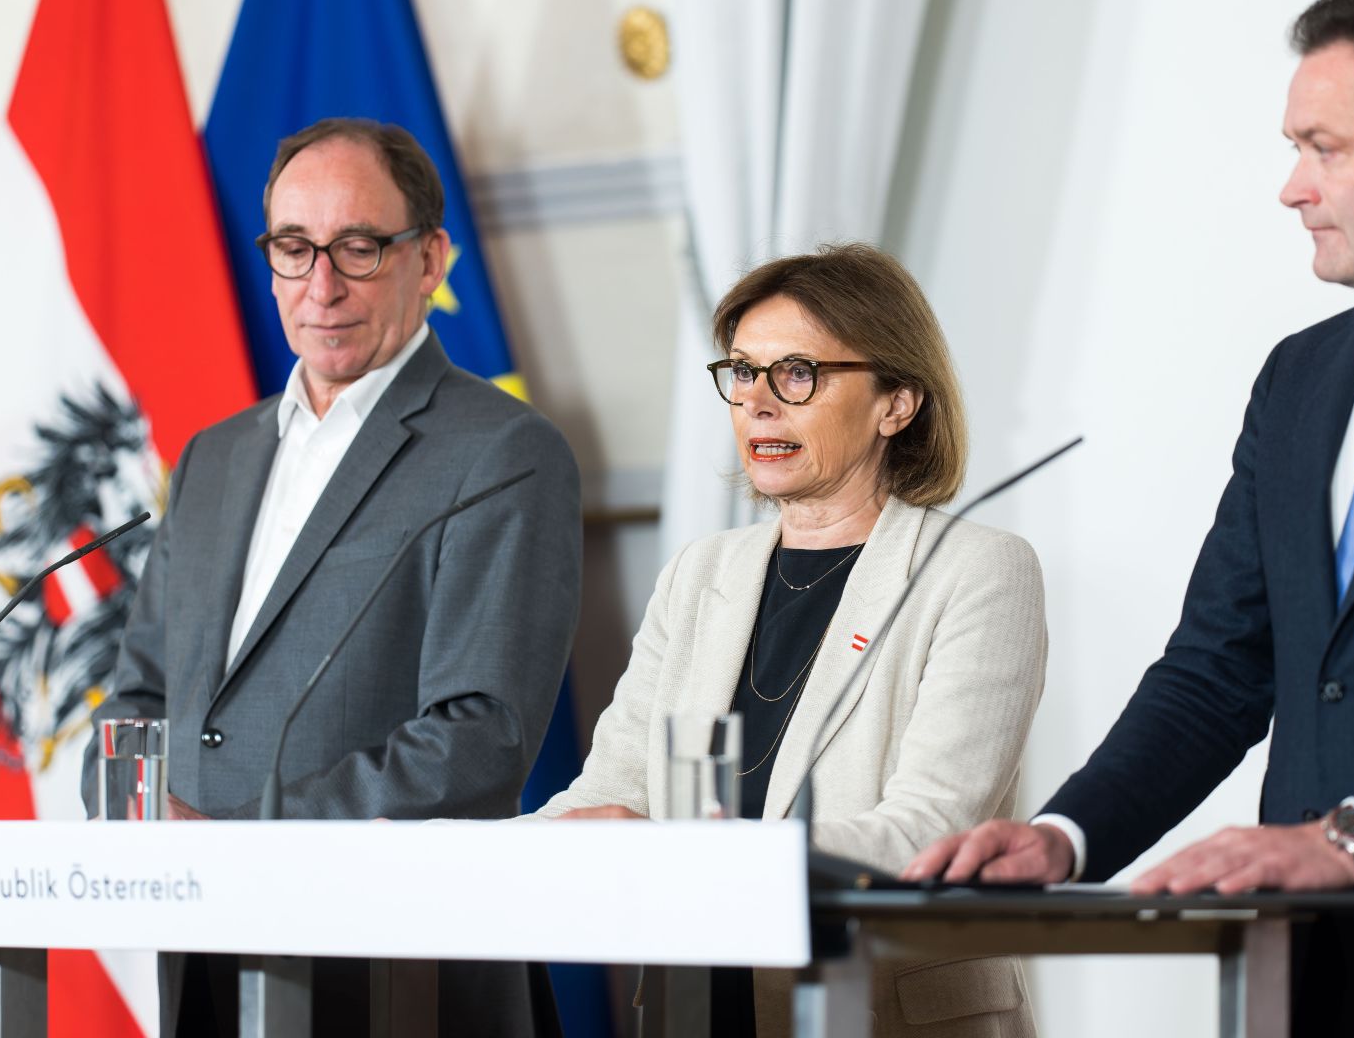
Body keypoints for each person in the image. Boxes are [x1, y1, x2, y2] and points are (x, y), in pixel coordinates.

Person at [905, 0, 1354, 1034]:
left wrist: (1347, 838)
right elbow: (1218, 668)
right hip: (1302, 977)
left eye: (1323, 147)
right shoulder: (1300, 380)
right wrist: (1066, 834)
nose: (1290, 188)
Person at [81, 117, 580, 1036]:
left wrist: (236, 841)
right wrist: (130, 808)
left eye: (358, 247)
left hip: (400, 970)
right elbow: (141, 694)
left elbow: (481, 736)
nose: (322, 286)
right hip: (205, 955)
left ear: (429, 259)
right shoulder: (213, 457)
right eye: (294, 248)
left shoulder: (504, 452)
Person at [534, 244, 1048, 1037]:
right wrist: (446, 850)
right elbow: (607, 797)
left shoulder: (979, 571)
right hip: (700, 1006)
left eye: (798, 372)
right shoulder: (700, 573)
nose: (760, 404)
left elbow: (925, 834)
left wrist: (698, 853)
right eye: (743, 373)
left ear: (897, 402)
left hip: (881, 1013)